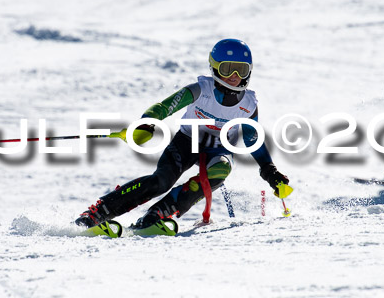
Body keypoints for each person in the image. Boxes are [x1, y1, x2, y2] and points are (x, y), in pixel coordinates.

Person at [75, 38, 292, 230]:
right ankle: (98, 212)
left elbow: (252, 139)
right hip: (187, 143)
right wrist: (146, 123)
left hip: (220, 149)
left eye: (240, 70)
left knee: (220, 169)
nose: (234, 76)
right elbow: (164, 107)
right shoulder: (201, 90)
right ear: (215, 68)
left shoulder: (248, 104)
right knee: (161, 181)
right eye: (227, 69)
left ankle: (158, 214)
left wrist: (270, 172)